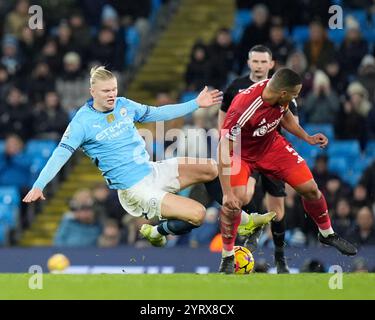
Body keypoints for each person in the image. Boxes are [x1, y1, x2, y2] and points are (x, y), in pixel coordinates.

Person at [23, 65, 223, 247]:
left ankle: (236, 214)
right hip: (134, 190)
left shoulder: (123, 105)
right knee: (198, 214)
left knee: (212, 168)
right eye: (106, 91)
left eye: (114, 89)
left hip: (152, 170)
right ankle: (157, 231)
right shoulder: (81, 123)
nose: (111, 95)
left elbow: (159, 112)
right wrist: (39, 185)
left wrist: (195, 103)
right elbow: (60, 154)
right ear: (92, 92)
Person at [217, 67, 357, 274]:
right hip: (240, 154)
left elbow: (286, 115)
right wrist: (227, 192)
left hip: (271, 147)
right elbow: (223, 148)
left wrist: (307, 137)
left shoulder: (280, 98)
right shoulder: (243, 108)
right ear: (283, 93)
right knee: (233, 203)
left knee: (310, 189)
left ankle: (326, 233)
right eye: (295, 95)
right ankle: (228, 256)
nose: (296, 98)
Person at [206, 45, 298, 273]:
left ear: (271, 64)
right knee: (243, 194)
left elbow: (291, 124)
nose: (258, 66)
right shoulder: (236, 88)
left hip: (271, 153)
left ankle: (280, 257)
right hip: (243, 153)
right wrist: (226, 146)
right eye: (254, 62)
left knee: (278, 211)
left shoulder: (283, 92)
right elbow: (224, 119)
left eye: (262, 62)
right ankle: (252, 227)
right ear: (248, 63)